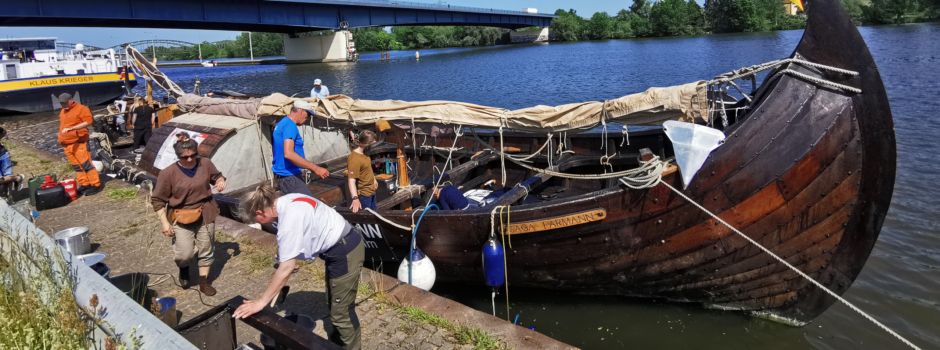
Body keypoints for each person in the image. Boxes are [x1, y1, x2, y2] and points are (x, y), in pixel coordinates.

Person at [234, 183, 364, 350]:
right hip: (340, 246)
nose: (257, 223)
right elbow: (290, 243)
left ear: (260, 212)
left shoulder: (289, 218)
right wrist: (282, 260)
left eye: (255, 220)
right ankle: (335, 345)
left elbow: (287, 266)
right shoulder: (286, 201)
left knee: (341, 313)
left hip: (345, 250)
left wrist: (261, 302)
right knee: (334, 304)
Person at [151, 139, 226, 296]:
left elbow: (217, 176)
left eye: (193, 155)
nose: (190, 159)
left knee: (206, 248)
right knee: (184, 253)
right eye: (185, 157)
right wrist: (165, 223)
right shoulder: (168, 173)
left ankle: (204, 282)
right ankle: (184, 268)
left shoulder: (205, 163)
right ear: (178, 156)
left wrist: (220, 181)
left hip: (205, 211)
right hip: (181, 215)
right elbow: (157, 200)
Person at [272, 100, 330, 196]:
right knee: (307, 205)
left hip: (283, 177)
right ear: (301, 110)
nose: (308, 117)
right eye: (308, 114)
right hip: (289, 177)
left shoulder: (282, 123)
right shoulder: (290, 126)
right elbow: (288, 154)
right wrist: (316, 168)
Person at [57, 93, 102, 196]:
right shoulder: (63, 111)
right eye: (61, 104)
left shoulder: (82, 108)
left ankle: (95, 184)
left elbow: (88, 121)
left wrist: (73, 128)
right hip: (67, 144)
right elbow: (63, 125)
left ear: (71, 100)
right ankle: (84, 183)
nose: (63, 105)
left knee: (86, 164)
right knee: (77, 166)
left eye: (64, 103)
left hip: (79, 143)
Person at [346, 130, 378, 213]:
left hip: (372, 191)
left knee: (375, 216)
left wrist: (374, 179)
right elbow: (351, 181)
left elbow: (368, 168)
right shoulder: (354, 159)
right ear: (366, 143)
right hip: (364, 196)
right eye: (372, 144)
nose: (374, 146)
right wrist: (355, 199)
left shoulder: (365, 153)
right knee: (367, 220)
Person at [0, 128, 22, 199]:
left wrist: (4, 136)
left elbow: (3, 131)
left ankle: (9, 197)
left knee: (7, 177)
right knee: (1, 180)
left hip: (3, 155)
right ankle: (18, 178)